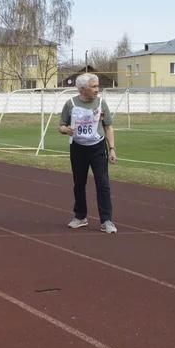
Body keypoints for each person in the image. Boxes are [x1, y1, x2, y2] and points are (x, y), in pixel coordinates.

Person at [59, 73, 118, 233]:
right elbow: (61, 125)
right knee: (79, 183)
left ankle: (106, 220)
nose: (97, 90)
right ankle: (80, 216)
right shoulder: (70, 104)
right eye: (93, 87)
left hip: (97, 147)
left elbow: (108, 126)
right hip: (78, 148)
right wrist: (66, 130)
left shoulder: (101, 103)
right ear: (82, 89)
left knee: (103, 184)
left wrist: (112, 148)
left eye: (97, 86)